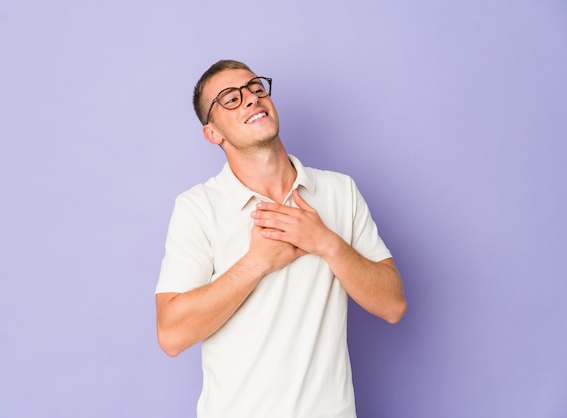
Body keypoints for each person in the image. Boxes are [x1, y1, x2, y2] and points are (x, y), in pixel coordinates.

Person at [155, 59, 407, 418]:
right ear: (214, 133)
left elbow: (393, 305)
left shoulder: (340, 191)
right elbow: (171, 335)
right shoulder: (197, 208)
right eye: (230, 98)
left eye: (256, 89)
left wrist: (326, 242)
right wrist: (257, 262)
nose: (251, 99)